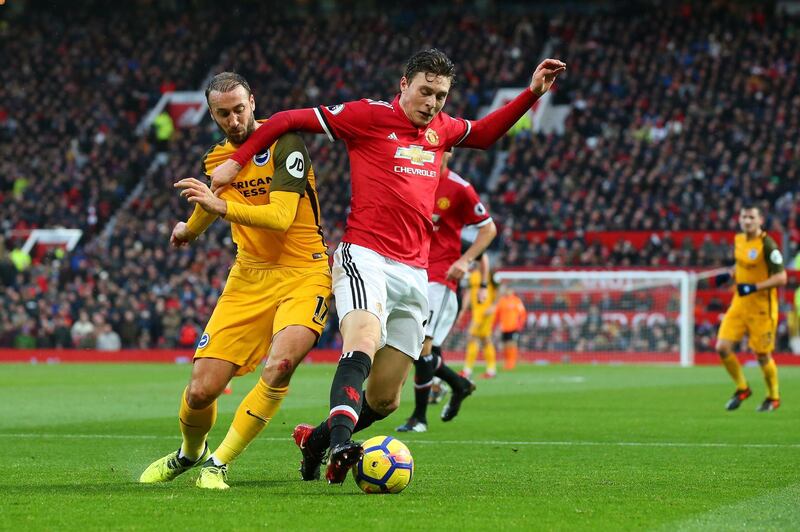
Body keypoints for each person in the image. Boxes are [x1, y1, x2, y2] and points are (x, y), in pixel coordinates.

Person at [210, 49, 566, 484]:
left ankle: (317, 439)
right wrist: (237, 158)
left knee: (384, 400)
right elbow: (286, 119)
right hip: (365, 255)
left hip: (415, 272)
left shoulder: (442, 129)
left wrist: (532, 93)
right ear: (404, 85)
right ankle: (342, 445)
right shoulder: (367, 117)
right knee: (363, 338)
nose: (432, 103)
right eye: (424, 92)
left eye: (440, 95)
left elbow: (486, 134)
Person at [139, 72, 331, 489]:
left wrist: (217, 207)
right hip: (248, 277)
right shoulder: (216, 159)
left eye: (239, 109)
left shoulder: (286, 143)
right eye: (223, 113)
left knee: (280, 366)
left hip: (305, 272)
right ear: (211, 114)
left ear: (253, 102)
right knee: (200, 392)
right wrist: (191, 229)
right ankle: (191, 454)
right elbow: (216, 198)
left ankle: (219, 464)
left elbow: (280, 218)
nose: (233, 119)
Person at [395, 149, 497, 433]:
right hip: (412, 273)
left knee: (421, 346)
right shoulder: (413, 180)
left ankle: (419, 418)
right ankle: (458, 384)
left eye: (438, 148)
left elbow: (488, 231)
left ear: (448, 152)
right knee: (420, 351)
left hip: (440, 279)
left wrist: (465, 262)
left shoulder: (460, 189)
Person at [715, 204, 787, 412]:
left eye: (752, 217)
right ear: (739, 219)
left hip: (761, 309)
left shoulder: (768, 245)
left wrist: (755, 287)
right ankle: (742, 388)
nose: (747, 221)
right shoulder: (738, 240)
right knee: (722, 347)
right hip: (739, 303)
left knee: (762, 356)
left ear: (760, 220)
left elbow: (781, 277)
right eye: (744, 217)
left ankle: (773, 397)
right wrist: (730, 274)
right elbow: (743, 265)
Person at [459, 263, 498, 378]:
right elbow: (468, 293)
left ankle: (467, 370)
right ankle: (491, 370)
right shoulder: (473, 275)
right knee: (485, 339)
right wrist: (463, 310)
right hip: (476, 312)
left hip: (486, 312)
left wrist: (494, 306)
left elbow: (501, 289)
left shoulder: (491, 274)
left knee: (471, 336)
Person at [494, 283, 527, 370]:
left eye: (509, 290)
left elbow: (523, 314)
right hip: (504, 327)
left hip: (513, 327)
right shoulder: (502, 301)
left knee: (512, 344)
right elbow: (497, 314)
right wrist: (497, 325)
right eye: (507, 290)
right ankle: (506, 363)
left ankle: (511, 363)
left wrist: (520, 325)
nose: (508, 292)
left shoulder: (516, 301)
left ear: (512, 291)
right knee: (505, 345)